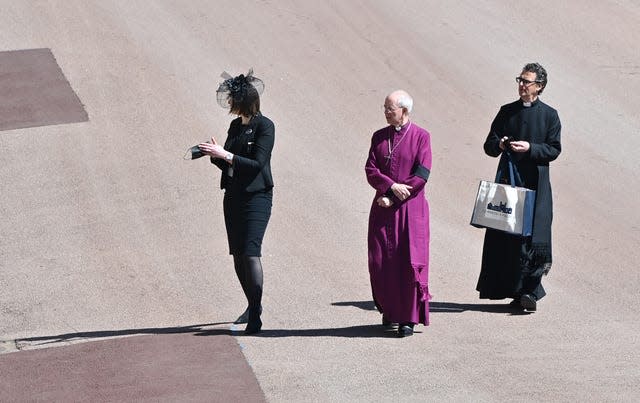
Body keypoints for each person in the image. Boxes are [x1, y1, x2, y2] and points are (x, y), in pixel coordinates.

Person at [476, 62, 561, 312]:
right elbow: (489, 145)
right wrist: (501, 144)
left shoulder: (549, 115)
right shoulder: (507, 111)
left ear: (540, 86)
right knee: (508, 238)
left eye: (527, 81)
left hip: (535, 184)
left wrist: (531, 148)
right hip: (508, 183)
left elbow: (554, 149)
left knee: (532, 238)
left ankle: (530, 292)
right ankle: (513, 291)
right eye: (520, 80)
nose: (522, 86)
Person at [198, 69, 274, 334]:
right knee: (238, 257)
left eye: (232, 100)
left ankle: (255, 314)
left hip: (257, 198)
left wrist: (226, 155)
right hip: (233, 196)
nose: (229, 104)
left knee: (251, 253)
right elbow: (231, 166)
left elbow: (256, 165)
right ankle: (253, 304)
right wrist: (215, 155)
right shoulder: (234, 126)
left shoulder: (265, 126)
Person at [365, 90, 432, 337]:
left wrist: (392, 196)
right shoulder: (379, 137)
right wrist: (389, 186)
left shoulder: (421, 137)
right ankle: (390, 308)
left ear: (404, 110)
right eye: (384, 108)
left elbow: (422, 174)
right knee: (381, 261)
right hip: (383, 209)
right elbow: (370, 169)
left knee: (408, 263)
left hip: (409, 210)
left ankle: (408, 319)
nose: (385, 112)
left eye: (389, 108)